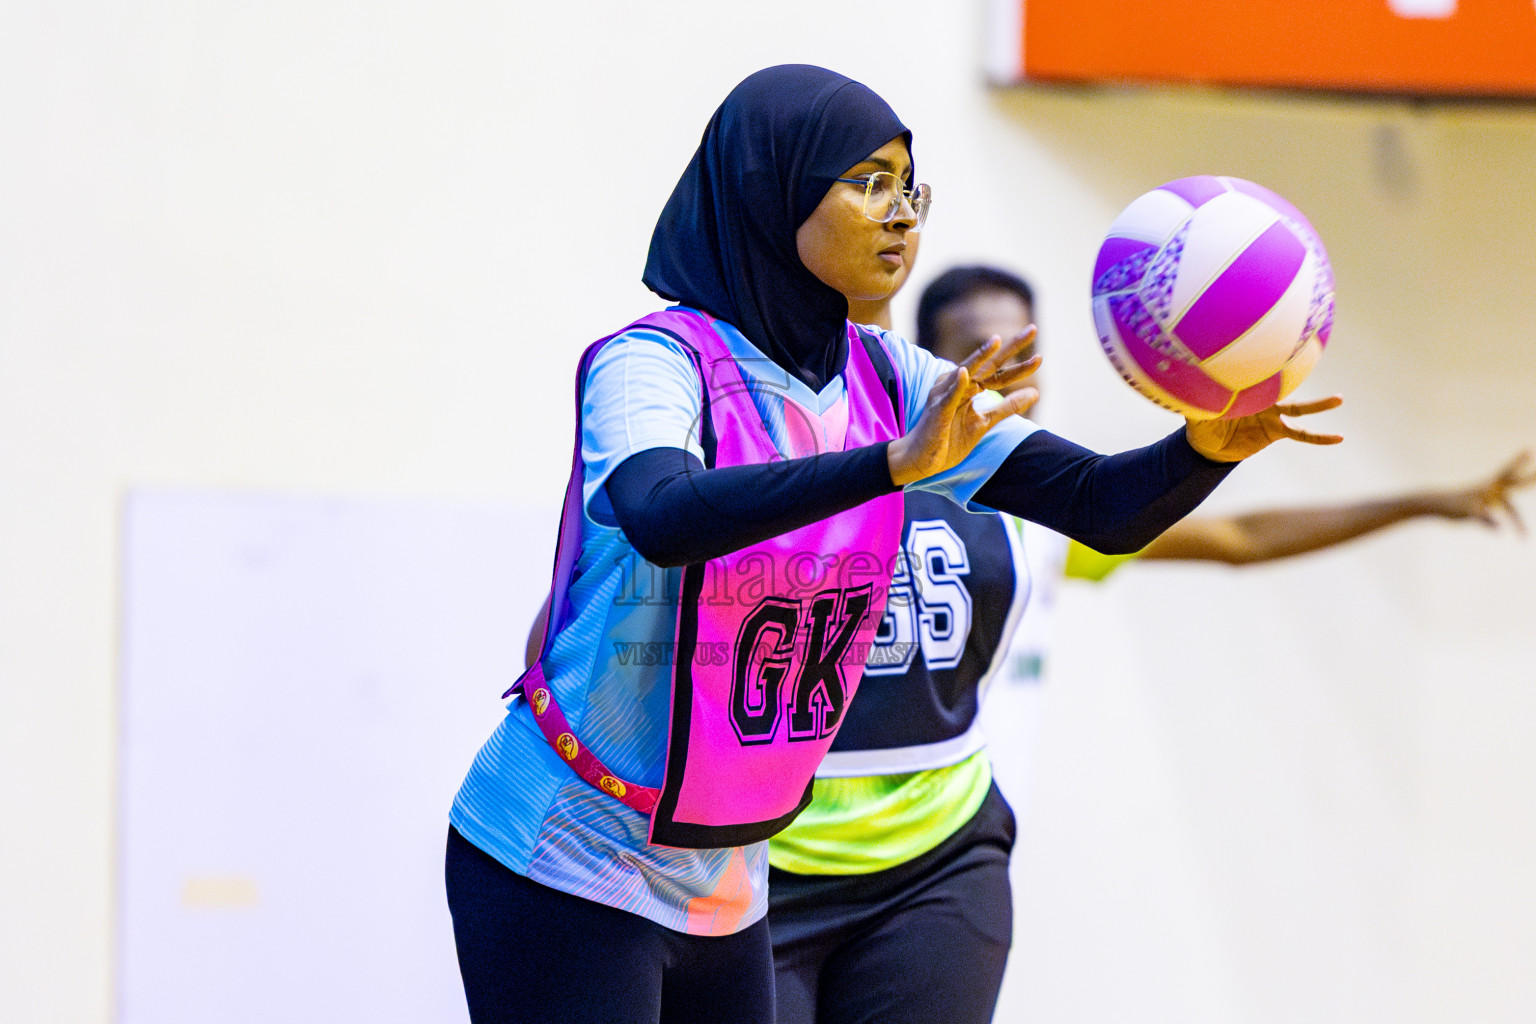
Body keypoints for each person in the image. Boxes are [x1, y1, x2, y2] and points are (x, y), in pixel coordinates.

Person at [447, 65, 1340, 1024]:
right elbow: (665, 517)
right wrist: (888, 465)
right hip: (567, 850)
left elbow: (1100, 505)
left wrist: (1202, 449)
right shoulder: (655, 360)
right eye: (867, 181)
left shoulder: (892, 376)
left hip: (725, 875)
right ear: (772, 189)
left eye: (910, 186)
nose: (901, 213)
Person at [764, 262, 1532, 1024]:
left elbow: (1237, 538)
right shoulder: (843, 487)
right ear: (928, 365)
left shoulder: (1040, 519)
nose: (1008, 371)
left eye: (1025, 353)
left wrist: (1429, 501)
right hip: (786, 863)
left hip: (940, 859)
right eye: (978, 351)